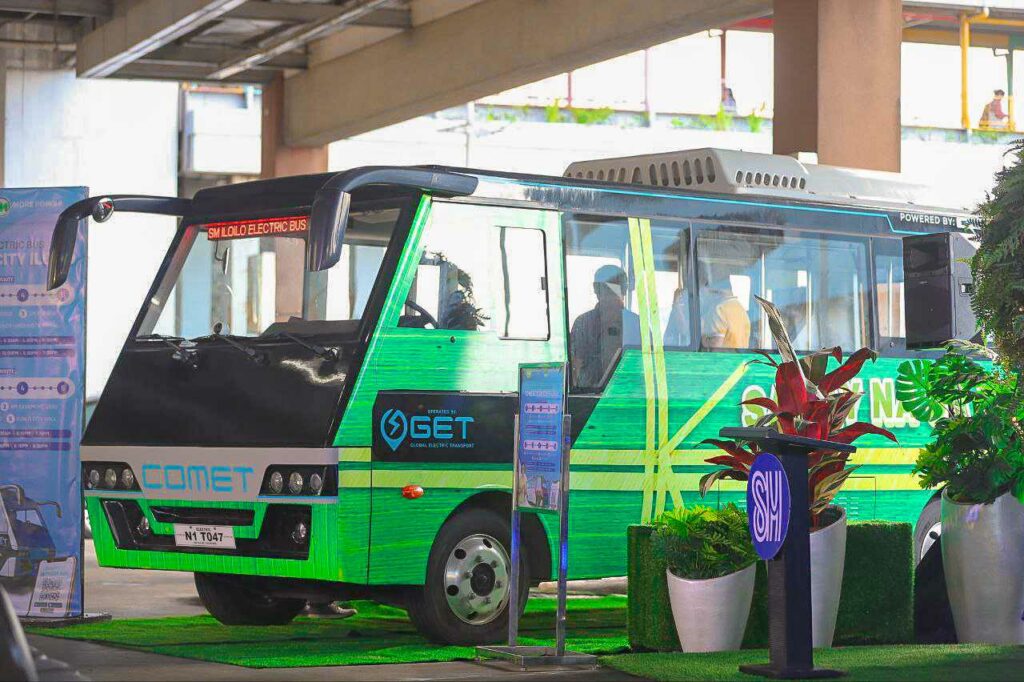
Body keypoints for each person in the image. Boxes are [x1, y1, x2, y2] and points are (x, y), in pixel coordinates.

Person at [569, 264, 641, 389]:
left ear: (624, 290)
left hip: (630, 396)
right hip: (590, 397)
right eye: (606, 290)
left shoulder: (637, 325)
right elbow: (575, 369)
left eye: (615, 289)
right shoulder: (583, 324)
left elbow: (647, 368)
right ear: (596, 290)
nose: (610, 296)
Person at [699, 273, 750, 349]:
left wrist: (702, 337)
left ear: (713, 289)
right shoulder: (741, 309)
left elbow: (715, 345)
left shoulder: (719, 309)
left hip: (721, 360)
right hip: (740, 359)